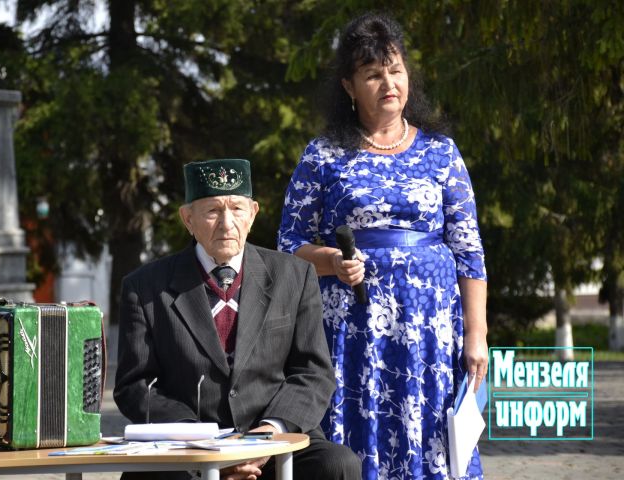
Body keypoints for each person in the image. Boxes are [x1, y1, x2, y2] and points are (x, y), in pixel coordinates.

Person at [277, 12, 488, 480]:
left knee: (431, 440)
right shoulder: (323, 154)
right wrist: (331, 261)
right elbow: (289, 243)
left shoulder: (441, 152)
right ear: (350, 87)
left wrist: (477, 334)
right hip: (353, 330)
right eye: (373, 74)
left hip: (432, 333)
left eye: (395, 70)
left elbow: (469, 249)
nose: (388, 82)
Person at [115, 158, 362, 480]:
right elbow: (136, 385)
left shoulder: (294, 275)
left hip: (274, 442)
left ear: (254, 214)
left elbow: (313, 371)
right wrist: (198, 441)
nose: (227, 223)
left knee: (337, 465)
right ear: (187, 218)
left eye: (237, 209)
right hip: (187, 445)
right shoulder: (145, 287)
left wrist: (265, 436)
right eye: (213, 211)